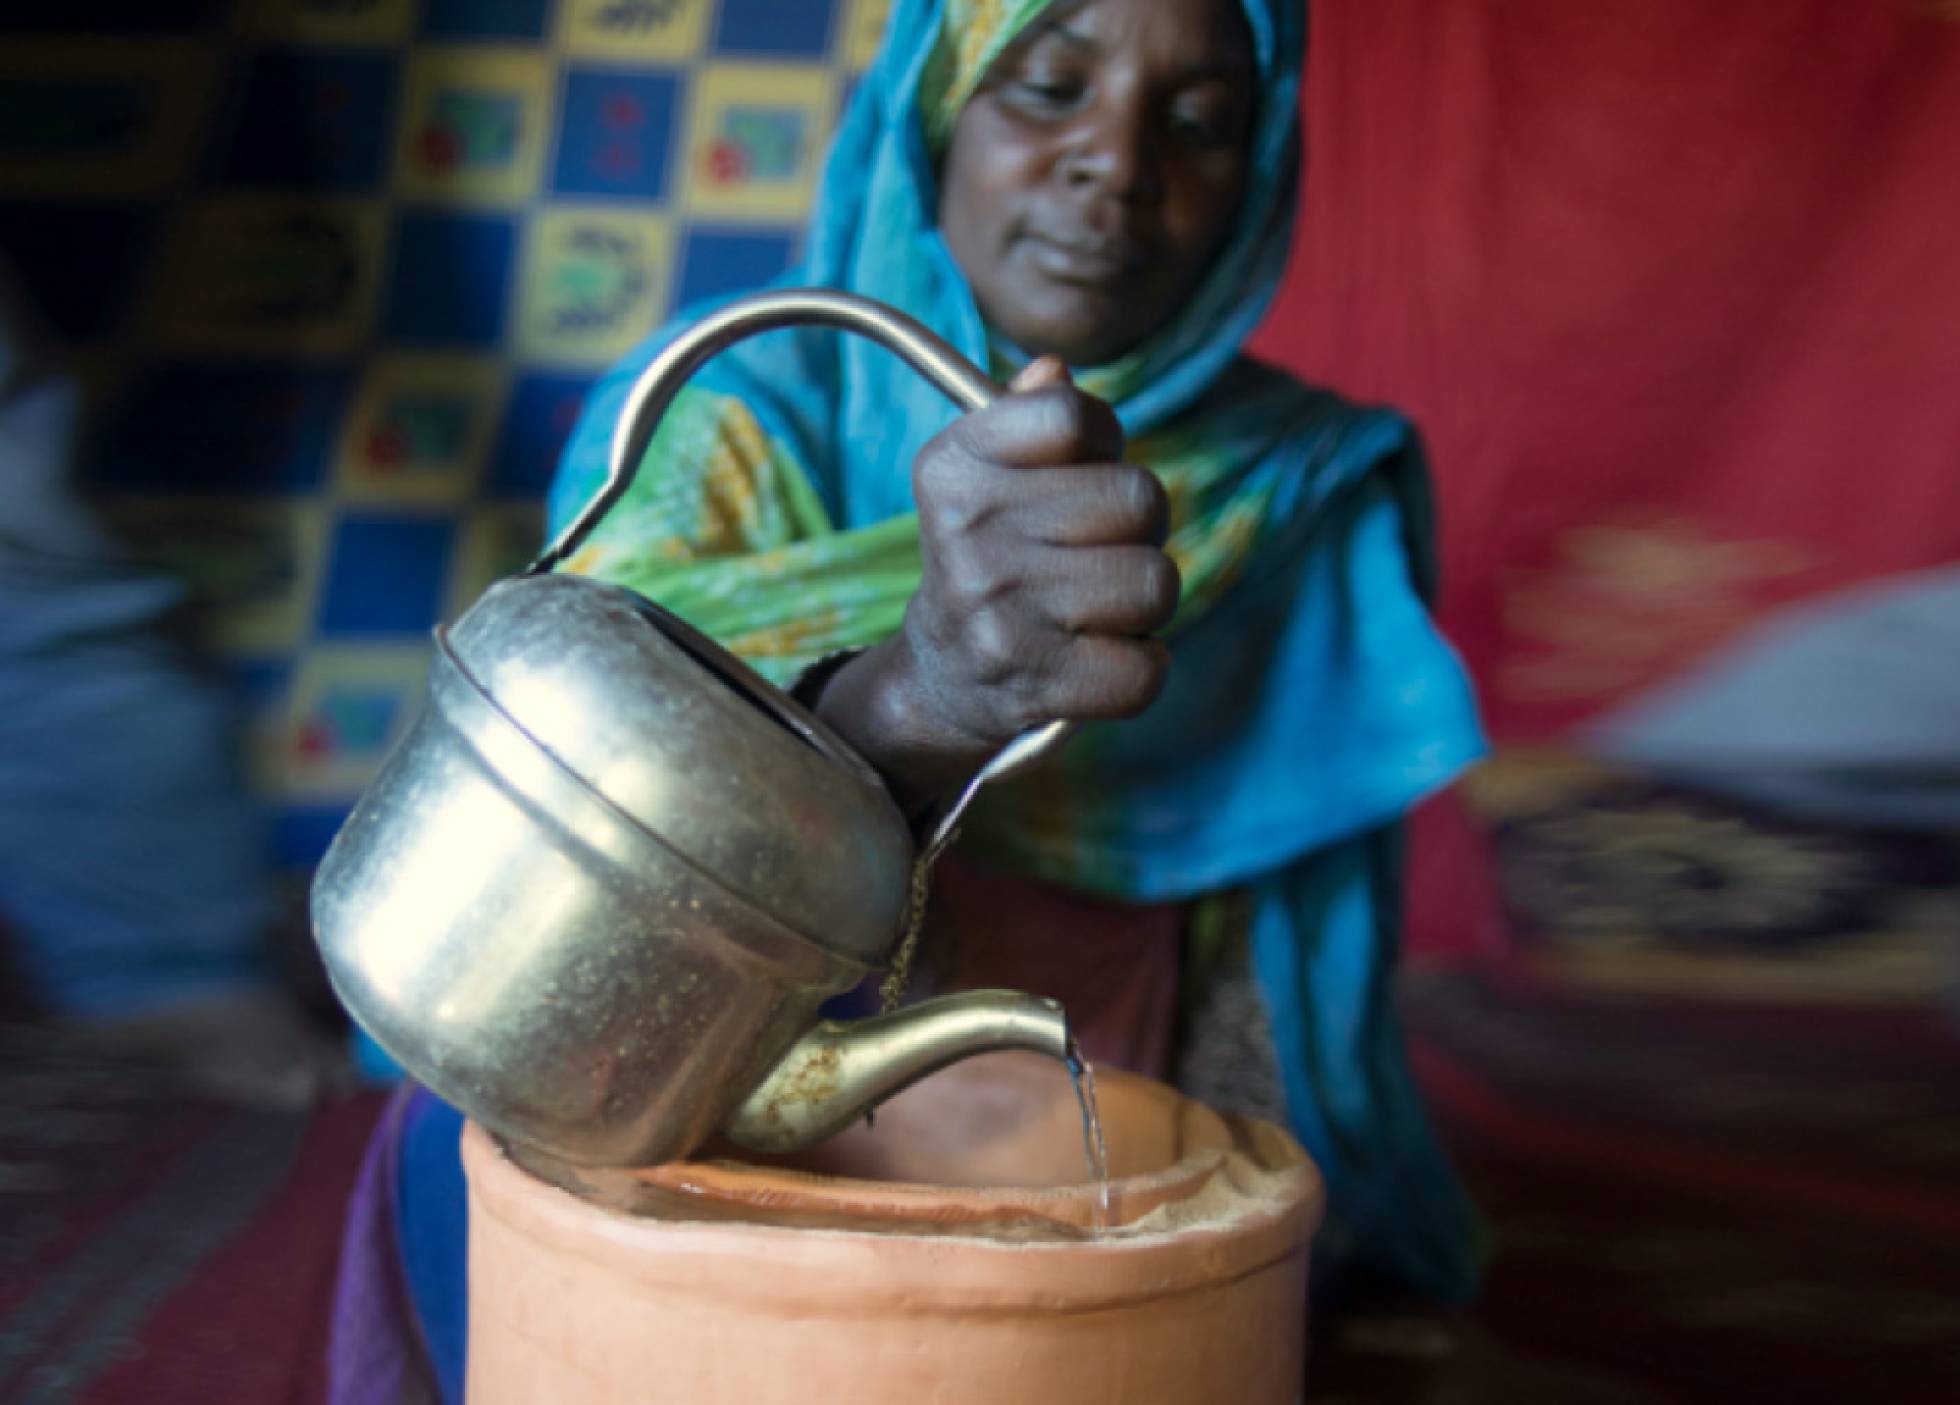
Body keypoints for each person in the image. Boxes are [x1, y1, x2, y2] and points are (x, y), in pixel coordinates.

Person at [330, 0, 1486, 1397]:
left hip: (1097, 1069)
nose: (1114, 165)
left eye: (1198, 124)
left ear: (1261, 173)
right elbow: (567, 879)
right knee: (519, 1169)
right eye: (1048, 85)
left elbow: (1289, 971)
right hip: (686, 1050)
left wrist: (1263, 1217)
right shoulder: (738, 405)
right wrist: (923, 693)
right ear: (933, 116)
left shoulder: (1296, 483)